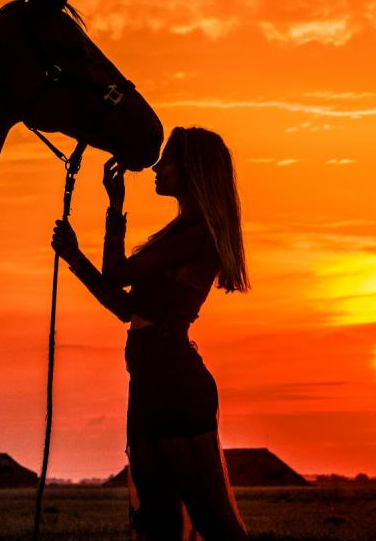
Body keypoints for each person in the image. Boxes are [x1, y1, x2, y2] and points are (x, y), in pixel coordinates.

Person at [51, 127, 250, 540]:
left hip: (173, 380)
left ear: (192, 171)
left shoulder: (194, 237)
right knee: (157, 513)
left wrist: (114, 207)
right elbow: (127, 308)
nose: (157, 169)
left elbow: (117, 274)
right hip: (150, 378)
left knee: (208, 512)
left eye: (168, 162)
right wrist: (74, 257)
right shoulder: (179, 234)